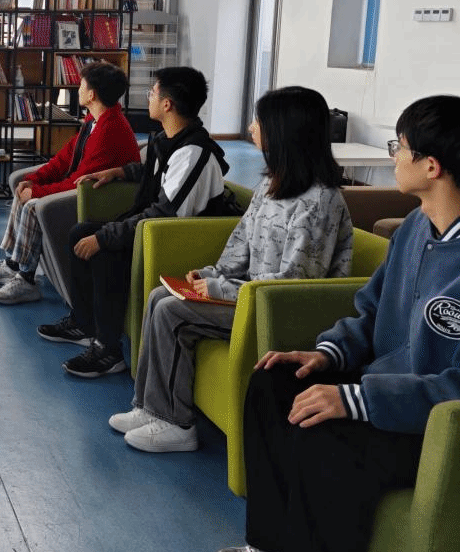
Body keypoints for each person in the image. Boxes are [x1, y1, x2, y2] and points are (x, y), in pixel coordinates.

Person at [215, 95, 460, 552]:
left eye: (400, 147)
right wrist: (328, 354)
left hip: (429, 423)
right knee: (273, 382)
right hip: (379, 389)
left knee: (327, 433)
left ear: (431, 166)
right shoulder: (415, 228)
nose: (395, 156)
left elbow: (452, 387)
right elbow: (370, 310)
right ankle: (273, 546)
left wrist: (355, 400)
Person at [110, 86, 354, 454]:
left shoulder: (320, 201)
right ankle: (149, 407)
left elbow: (294, 284)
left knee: (172, 312)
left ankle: (176, 424)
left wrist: (220, 289)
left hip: (279, 311)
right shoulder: (272, 183)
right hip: (249, 295)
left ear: (284, 131)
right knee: (159, 296)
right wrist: (210, 274)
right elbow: (241, 242)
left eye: (259, 121)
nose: (252, 127)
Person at [39, 66, 236, 378]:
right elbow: (156, 172)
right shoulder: (171, 141)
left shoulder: (193, 153)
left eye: (152, 93)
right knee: (80, 232)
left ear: (167, 104)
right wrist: (120, 172)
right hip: (155, 232)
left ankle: (108, 350)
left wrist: (105, 237)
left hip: (175, 243)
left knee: (104, 249)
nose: (149, 99)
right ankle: (84, 324)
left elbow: (163, 214)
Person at [0, 61, 141, 304]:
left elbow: (78, 184)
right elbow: (63, 159)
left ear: (92, 94)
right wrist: (33, 181)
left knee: (32, 205)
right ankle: (13, 264)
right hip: (83, 191)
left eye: (82, 85)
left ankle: (26, 280)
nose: (78, 88)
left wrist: (37, 192)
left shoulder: (109, 131)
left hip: (97, 201)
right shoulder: (94, 121)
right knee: (23, 189)